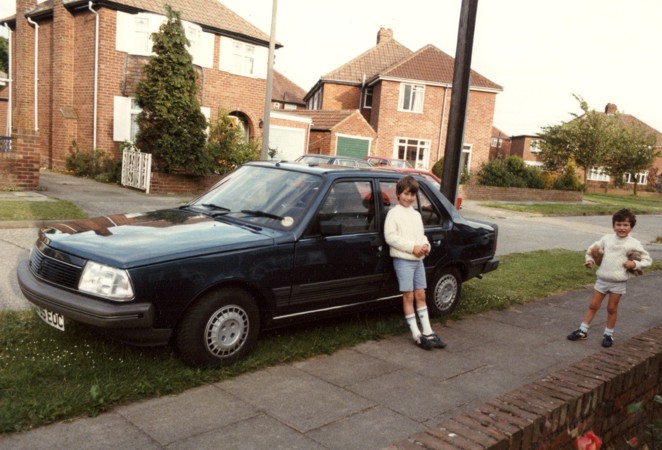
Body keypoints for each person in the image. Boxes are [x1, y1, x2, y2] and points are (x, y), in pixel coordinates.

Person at [567, 208, 652, 348]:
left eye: (625, 225)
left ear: (631, 227)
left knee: (612, 309)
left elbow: (647, 260)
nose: (622, 228)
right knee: (593, 305)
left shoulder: (634, 243)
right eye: (618, 224)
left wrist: (634, 263)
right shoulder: (606, 239)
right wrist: (590, 260)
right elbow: (591, 250)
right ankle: (582, 330)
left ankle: (608, 334)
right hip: (602, 280)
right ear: (614, 226)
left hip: (618, 283)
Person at [384, 175, 446, 351]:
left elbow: (421, 235)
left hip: (418, 261)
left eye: (412, 195)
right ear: (398, 194)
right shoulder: (393, 214)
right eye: (405, 194)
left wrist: (425, 245)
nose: (409, 198)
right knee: (408, 296)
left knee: (421, 295)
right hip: (403, 261)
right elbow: (391, 238)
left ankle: (428, 331)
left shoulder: (416, 215)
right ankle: (416, 334)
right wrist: (413, 248)